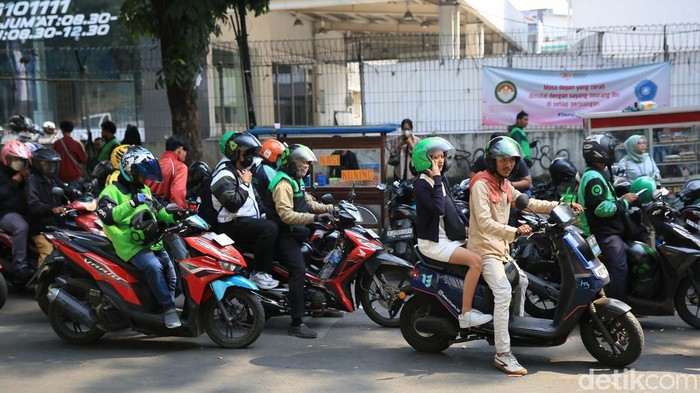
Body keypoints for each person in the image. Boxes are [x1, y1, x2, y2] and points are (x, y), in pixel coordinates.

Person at [467, 135, 582, 375]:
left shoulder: (503, 183)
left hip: (500, 247)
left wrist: (560, 206)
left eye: (511, 160)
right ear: (492, 161)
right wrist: (514, 231)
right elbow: (485, 223)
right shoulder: (481, 184)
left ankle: (513, 332)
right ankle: (502, 353)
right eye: (502, 160)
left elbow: (528, 203)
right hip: (485, 249)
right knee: (503, 292)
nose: (508, 165)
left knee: (523, 281)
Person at [412, 137, 493, 329]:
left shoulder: (442, 180)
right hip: (433, 243)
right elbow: (438, 208)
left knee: (486, 250)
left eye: (442, 156)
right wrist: (437, 178)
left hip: (448, 238)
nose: (440, 161)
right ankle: (466, 314)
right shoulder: (421, 184)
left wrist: (469, 229)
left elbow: (453, 208)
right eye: (434, 157)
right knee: (476, 262)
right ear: (424, 159)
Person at [96, 146, 180, 328]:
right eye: (142, 175)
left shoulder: (145, 190)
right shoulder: (110, 192)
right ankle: (168, 309)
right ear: (130, 171)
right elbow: (107, 216)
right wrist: (132, 203)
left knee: (172, 271)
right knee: (154, 267)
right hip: (129, 244)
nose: (146, 180)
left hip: (151, 240)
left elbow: (158, 211)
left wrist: (175, 214)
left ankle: (160, 306)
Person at [264, 144, 334, 339]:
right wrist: (314, 218)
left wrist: (330, 209)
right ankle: (296, 322)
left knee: (320, 255)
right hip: (283, 234)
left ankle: (323, 304)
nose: (306, 166)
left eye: (307, 163)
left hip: (296, 232)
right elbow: (286, 215)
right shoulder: (283, 183)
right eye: (302, 162)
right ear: (291, 163)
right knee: (298, 272)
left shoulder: (296, 181)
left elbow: (308, 203)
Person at [211, 131, 279, 290]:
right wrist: (245, 184)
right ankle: (259, 273)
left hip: (246, 221)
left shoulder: (241, 170)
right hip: (230, 225)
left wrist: (263, 214)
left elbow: (255, 198)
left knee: (275, 223)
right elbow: (232, 204)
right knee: (270, 228)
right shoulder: (223, 173)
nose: (251, 157)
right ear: (235, 154)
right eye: (247, 153)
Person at [578, 134, 638, 301]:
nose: (613, 153)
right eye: (610, 150)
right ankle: (614, 308)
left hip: (607, 231)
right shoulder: (593, 178)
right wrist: (624, 203)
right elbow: (600, 208)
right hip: (603, 234)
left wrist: (620, 200)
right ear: (601, 153)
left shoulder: (597, 173)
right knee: (619, 268)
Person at [26, 148, 77, 267]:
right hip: (41, 229)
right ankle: (42, 284)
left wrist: (82, 193)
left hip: (57, 226)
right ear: (38, 164)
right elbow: (34, 206)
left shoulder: (52, 179)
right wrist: (52, 209)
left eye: (53, 164)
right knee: (48, 254)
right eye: (47, 164)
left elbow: (66, 190)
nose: (51, 167)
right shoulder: (32, 181)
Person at [0, 140, 34, 280]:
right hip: (5, 213)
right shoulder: (3, 174)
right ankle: (20, 266)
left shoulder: (28, 173)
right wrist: (15, 181)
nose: (18, 163)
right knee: (21, 227)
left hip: (25, 211)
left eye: (21, 160)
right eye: (14, 160)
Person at [147, 135, 190, 209]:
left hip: (146, 209)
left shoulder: (154, 164)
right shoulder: (180, 167)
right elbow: (178, 195)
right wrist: (179, 212)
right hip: (164, 212)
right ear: (180, 149)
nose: (185, 156)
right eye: (185, 152)